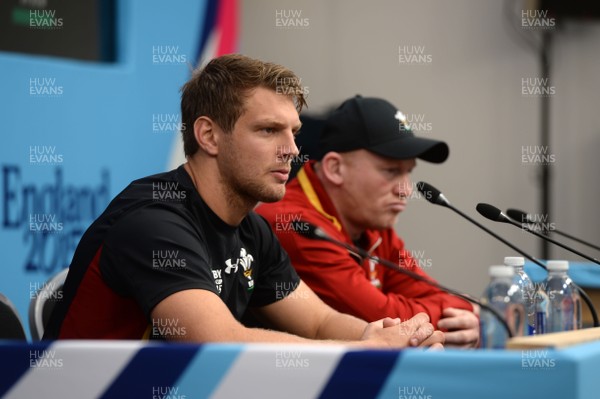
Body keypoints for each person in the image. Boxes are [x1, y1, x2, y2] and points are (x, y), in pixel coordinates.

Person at [43, 55, 443, 349]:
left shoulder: (251, 229)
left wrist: (392, 337)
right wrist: (361, 350)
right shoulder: (154, 221)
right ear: (209, 136)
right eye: (269, 130)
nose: (291, 150)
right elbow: (218, 343)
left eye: (294, 132)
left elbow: (320, 323)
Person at [256, 95, 480, 348]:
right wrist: (460, 312)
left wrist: (462, 308)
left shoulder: (372, 222)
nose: (406, 190)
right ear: (335, 169)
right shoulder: (296, 226)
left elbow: (433, 292)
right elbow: (380, 325)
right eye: (391, 171)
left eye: (409, 172)